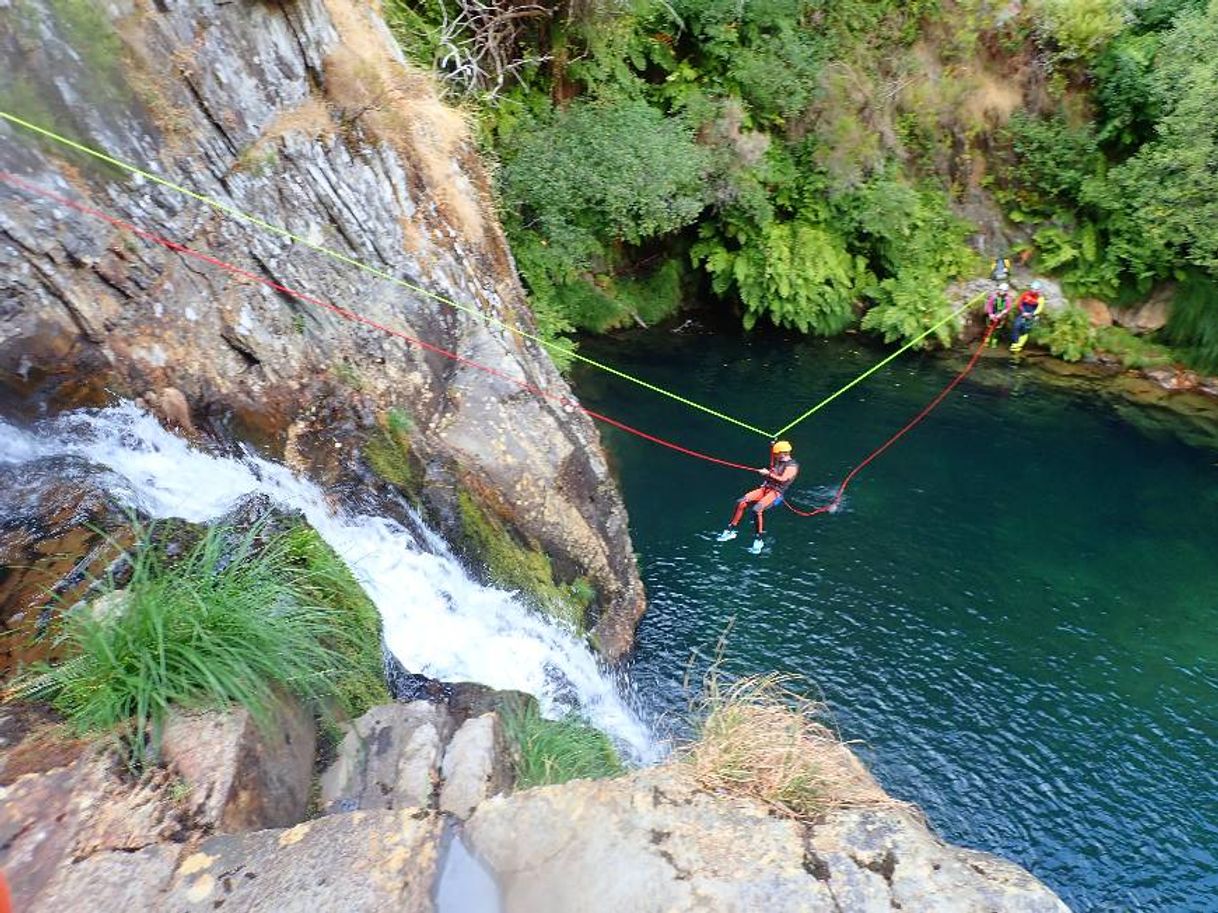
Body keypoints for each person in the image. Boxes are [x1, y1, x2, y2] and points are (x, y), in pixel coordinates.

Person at [717, 441, 799, 554]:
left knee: (756, 509)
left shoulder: (792, 466)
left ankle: (759, 539)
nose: (775, 455)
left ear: (783, 453)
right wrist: (773, 445)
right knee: (741, 502)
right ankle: (730, 530)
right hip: (765, 488)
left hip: (776, 493)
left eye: (776, 453)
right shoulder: (779, 460)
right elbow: (773, 458)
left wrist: (767, 474)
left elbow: (784, 479)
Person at [1010, 280, 1045, 354]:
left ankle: (1019, 345)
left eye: (1035, 289)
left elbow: (1039, 309)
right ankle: (1015, 342)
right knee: (1016, 325)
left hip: (1031, 315)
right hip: (1023, 313)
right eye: (1032, 288)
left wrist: (1031, 314)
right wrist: (1023, 312)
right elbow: (1020, 303)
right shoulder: (1025, 294)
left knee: (1025, 329)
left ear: (1038, 290)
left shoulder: (1040, 298)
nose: (1033, 290)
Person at [985, 281, 1013, 347]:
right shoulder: (994, 297)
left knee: (997, 329)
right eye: (1000, 290)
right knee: (989, 327)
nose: (1002, 292)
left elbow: (1009, 307)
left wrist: (1002, 313)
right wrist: (990, 314)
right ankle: (987, 340)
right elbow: (989, 305)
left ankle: (994, 341)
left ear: (1006, 291)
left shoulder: (1007, 299)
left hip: (1001, 316)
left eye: (1003, 290)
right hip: (992, 314)